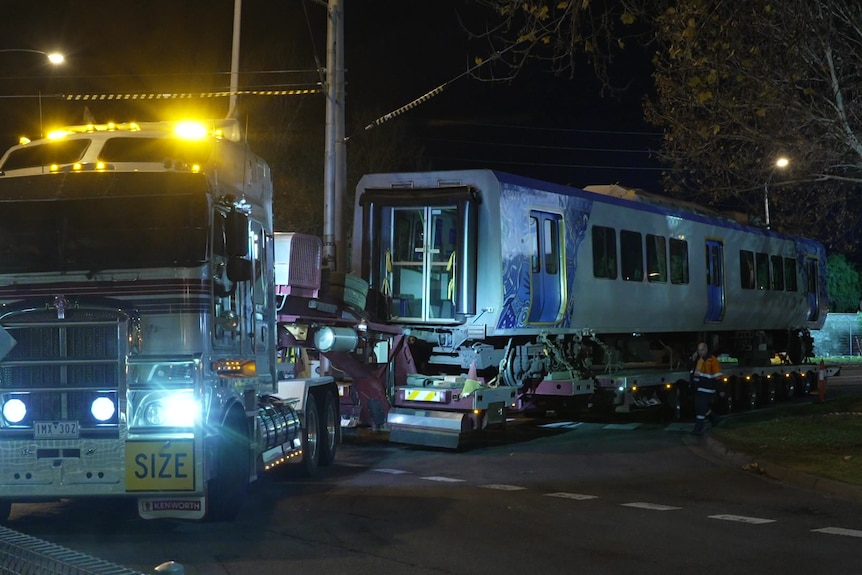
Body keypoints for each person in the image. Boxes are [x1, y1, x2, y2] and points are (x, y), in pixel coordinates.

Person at [690, 342, 723, 434]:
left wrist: (721, 389)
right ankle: (715, 419)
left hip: (707, 389)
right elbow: (690, 369)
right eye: (699, 350)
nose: (700, 352)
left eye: (702, 350)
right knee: (702, 407)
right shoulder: (698, 360)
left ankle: (698, 429)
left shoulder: (712, 360)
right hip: (698, 388)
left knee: (700, 409)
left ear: (706, 350)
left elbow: (718, 376)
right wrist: (693, 359)